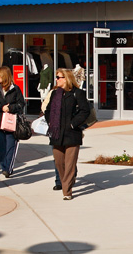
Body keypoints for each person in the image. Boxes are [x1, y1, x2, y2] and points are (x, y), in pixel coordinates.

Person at [44, 67, 90, 200]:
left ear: (66, 79)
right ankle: (68, 181)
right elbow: (47, 111)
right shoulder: (54, 94)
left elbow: (84, 111)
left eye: (59, 77)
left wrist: (72, 124)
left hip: (72, 133)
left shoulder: (78, 93)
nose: (56, 80)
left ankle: (67, 191)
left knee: (70, 164)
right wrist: (51, 123)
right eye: (56, 77)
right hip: (56, 133)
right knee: (59, 162)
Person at [0, 66, 26, 178]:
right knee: (1, 147)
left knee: (10, 146)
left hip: (11, 122)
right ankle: (3, 166)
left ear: (4, 76)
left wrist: (11, 108)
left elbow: (21, 104)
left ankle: (8, 168)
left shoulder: (15, 89)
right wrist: (1, 107)